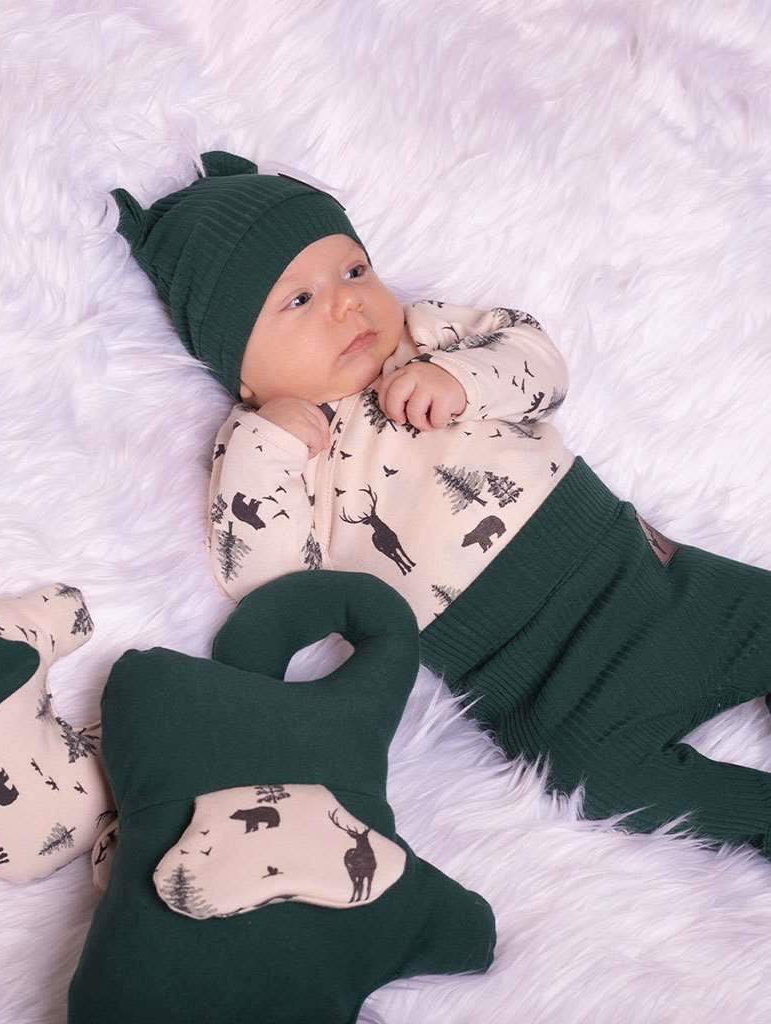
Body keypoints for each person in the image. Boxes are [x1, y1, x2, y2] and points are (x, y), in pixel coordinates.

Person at [110, 148, 771, 860]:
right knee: (596, 783)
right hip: (547, 686)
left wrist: (462, 379)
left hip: (650, 582)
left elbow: (538, 361)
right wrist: (267, 445)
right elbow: (269, 583)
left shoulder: (424, 336)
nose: (346, 303)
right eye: (298, 301)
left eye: (353, 271)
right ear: (238, 369)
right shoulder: (269, 447)